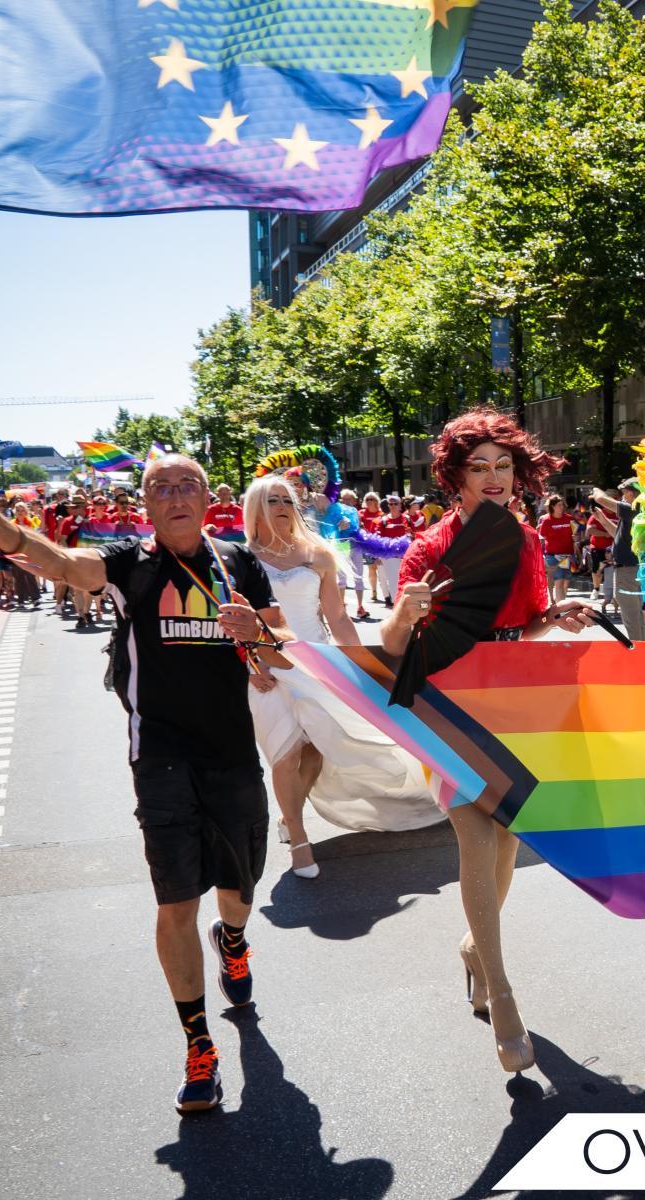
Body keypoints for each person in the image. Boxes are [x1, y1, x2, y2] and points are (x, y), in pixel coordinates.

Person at [0, 455, 292, 1114]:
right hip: (159, 757)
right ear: (146, 504)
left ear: (205, 498)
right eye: (160, 487)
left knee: (239, 887)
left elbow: (277, 659)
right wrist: (4, 532)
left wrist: (258, 635)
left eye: (187, 484)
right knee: (174, 904)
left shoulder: (237, 564)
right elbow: (63, 565)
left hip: (232, 753)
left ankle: (235, 943)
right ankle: (198, 1046)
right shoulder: (130, 562)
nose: (175, 495)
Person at [381, 409, 594, 1075]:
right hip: (445, 705)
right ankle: (503, 996)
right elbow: (392, 646)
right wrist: (404, 612)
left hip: (513, 705)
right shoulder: (430, 547)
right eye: (480, 466)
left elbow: (524, 628)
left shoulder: (527, 541)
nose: (494, 477)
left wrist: (551, 619)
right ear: (456, 475)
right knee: (476, 839)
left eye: (504, 465)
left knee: (505, 844)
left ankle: (476, 949)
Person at [243, 475, 439, 878]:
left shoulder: (318, 555)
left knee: (315, 748)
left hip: (316, 663)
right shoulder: (241, 558)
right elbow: (231, 622)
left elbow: (336, 617)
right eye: (271, 499)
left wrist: (357, 666)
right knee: (285, 752)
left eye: (286, 499)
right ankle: (299, 840)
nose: (281, 505)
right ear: (255, 509)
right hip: (262, 667)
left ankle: (289, 813)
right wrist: (249, 662)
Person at [607, 479, 645, 640]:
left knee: (632, 617)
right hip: (630, 569)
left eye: (623, 494)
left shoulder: (634, 508)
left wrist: (596, 493)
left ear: (631, 494)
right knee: (635, 615)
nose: (622, 498)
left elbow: (602, 499)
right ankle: (643, 646)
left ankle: (639, 651)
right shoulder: (635, 512)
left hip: (628, 570)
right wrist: (602, 518)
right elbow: (617, 537)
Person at [537, 495, 576, 605]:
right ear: (552, 506)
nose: (562, 507)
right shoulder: (546, 521)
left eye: (562, 505)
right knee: (559, 582)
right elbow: (541, 538)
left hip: (567, 556)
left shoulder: (569, 518)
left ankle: (561, 606)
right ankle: (560, 610)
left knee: (564, 583)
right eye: (559, 505)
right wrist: (540, 555)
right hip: (553, 556)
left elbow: (575, 534)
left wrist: (576, 538)